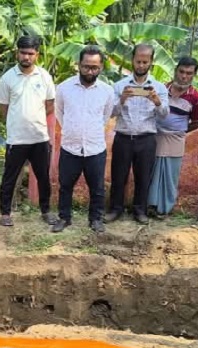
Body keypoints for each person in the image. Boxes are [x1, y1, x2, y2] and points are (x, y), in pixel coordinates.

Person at [0, 35, 58, 227]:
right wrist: (19, 122)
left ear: (36, 55)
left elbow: (49, 105)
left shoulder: (45, 77)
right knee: (10, 177)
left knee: (43, 177)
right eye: (23, 53)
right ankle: (5, 214)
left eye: (30, 53)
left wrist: (33, 119)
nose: (26, 57)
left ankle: (46, 211)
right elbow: (4, 109)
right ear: (17, 53)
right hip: (17, 139)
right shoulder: (7, 78)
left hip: (39, 137)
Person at [51, 45, 114, 234]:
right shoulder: (63, 88)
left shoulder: (107, 91)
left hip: (95, 148)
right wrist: (73, 130)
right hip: (70, 148)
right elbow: (59, 113)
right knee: (65, 186)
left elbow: (105, 116)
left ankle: (95, 219)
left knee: (97, 188)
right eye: (86, 66)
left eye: (94, 67)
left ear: (101, 67)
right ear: (78, 65)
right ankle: (64, 218)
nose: (90, 71)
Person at [107, 43, 169, 225]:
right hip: (123, 138)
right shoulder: (119, 86)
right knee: (119, 176)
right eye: (138, 61)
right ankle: (115, 209)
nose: (141, 65)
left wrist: (157, 101)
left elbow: (164, 115)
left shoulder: (159, 88)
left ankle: (140, 211)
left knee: (143, 178)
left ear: (151, 62)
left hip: (147, 139)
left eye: (145, 62)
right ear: (132, 60)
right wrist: (122, 99)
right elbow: (111, 112)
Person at [148, 56, 198, 217]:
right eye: (181, 72)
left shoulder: (197, 98)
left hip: (176, 139)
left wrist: (179, 130)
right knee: (153, 172)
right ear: (175, 71)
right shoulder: (161, 90)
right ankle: (150, 205)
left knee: (170, 175)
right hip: (155, 136)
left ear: (194, 75)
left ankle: (164, 209)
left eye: (189, 73)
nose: (184, 76)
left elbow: (196, 122)